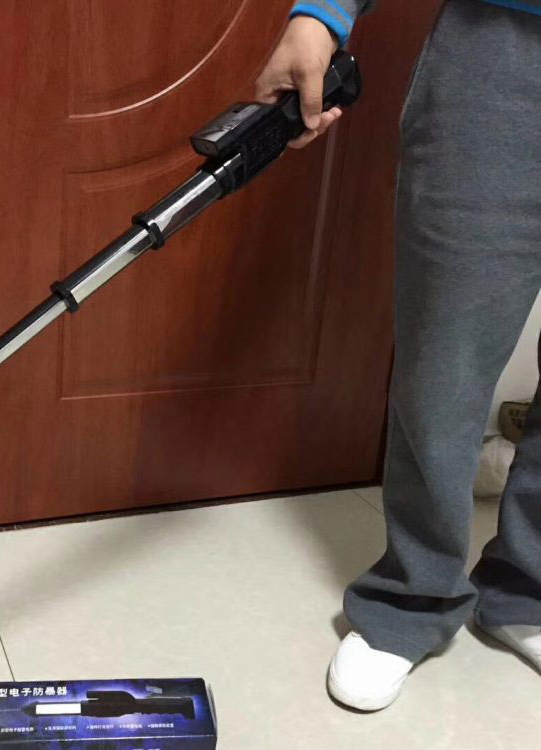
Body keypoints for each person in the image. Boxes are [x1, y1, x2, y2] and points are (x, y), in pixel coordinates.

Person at [256, 0, 541, 711]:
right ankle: (414, 595)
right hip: (502, 52)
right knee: (445, 362)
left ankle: (530, 587)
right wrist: (323, 12)